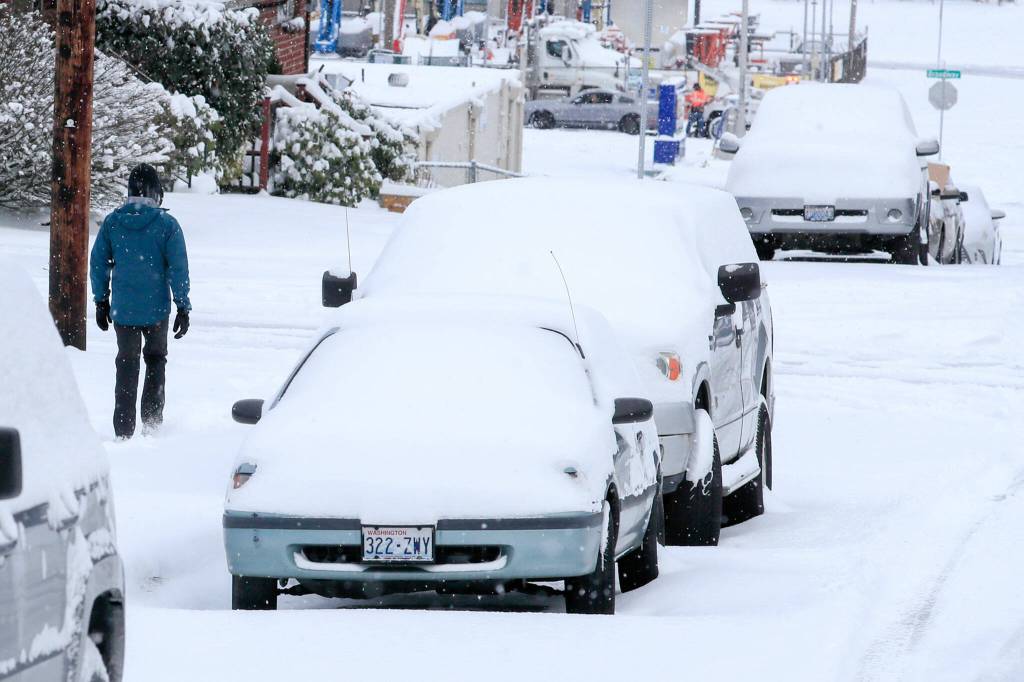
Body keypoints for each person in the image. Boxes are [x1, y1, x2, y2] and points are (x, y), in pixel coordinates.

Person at [90, 164, 191, 439]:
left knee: (126, 363)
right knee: (156, 360)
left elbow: (98, 263)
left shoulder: (113, 222)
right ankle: (152, 423)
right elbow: (178, 268)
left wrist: (101, 300)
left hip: (124, 310)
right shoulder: (167, 225)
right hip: (156, 309)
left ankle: (123, 429)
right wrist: (183, 306)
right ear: (156, 192)